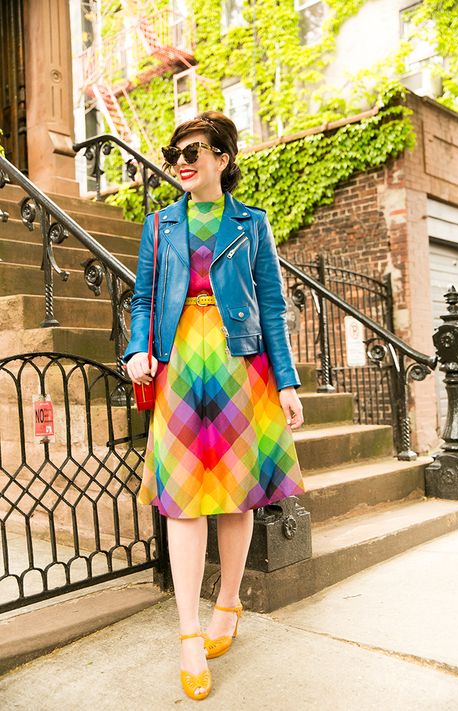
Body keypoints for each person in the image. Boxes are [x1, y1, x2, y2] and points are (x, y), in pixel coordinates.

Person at [122, 110, 306, 701]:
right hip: (179, 366)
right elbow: (145, 297)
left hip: (238, 362)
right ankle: (187, 634)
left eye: (194, 150)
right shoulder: (159, 226)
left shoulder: (252, 224)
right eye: (176, 151)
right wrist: (136, 349)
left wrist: (287, 382)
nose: (181, 160)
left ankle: (228, 602)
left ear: (222, 158)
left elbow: (271, 306)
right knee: (181, 500)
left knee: (234, 492)